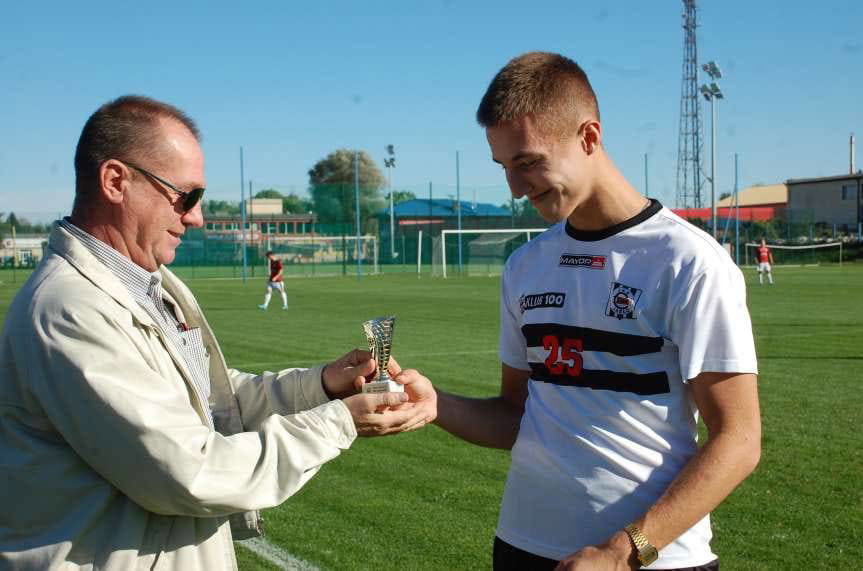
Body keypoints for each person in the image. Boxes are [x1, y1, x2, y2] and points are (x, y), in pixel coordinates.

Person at [0, 95, 436, 570]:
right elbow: (189, 473)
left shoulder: (146, 283)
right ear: (115, 181)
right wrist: (342, 421)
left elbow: (208, 403)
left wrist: (324, 385)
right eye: (185, 196)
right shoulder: (70, 307)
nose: (196, 217)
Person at [432, 52, 761, 570]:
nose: (516, 189)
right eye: (504, 167)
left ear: (589, 136)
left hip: (650, 560)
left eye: (528, 162)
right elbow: (514, 415)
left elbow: (739, 440)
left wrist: (621, 552)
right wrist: (433, 404)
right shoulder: (526, 265)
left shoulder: (689, 262)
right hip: (522, 547)